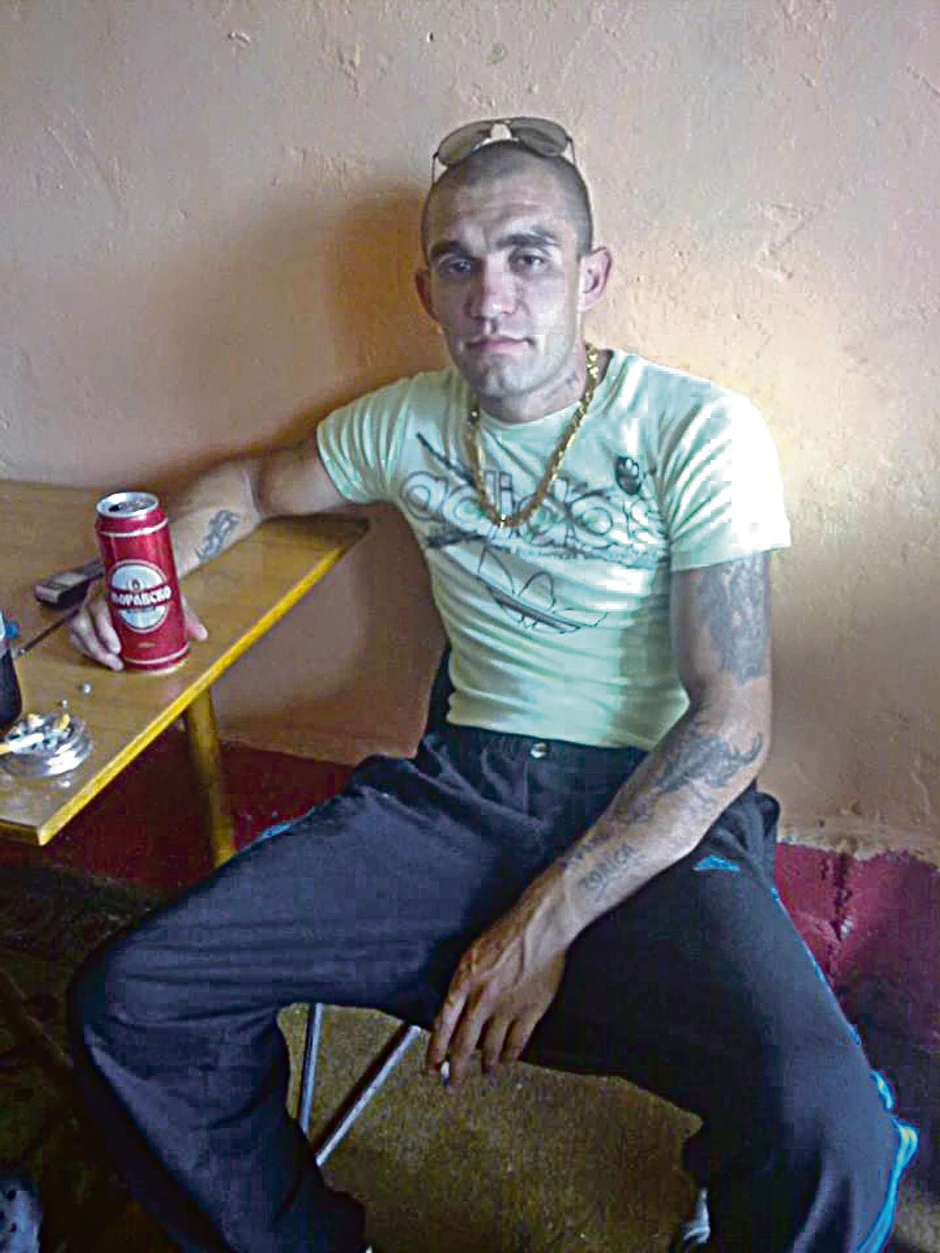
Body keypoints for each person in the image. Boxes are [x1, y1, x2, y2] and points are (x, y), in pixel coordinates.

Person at [67, 118, 916, 1253]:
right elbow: (255, 485)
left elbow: (729, 723)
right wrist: (143, 577)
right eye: (459, 265)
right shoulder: (404, 421)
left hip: (660, 808)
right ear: (426, 292)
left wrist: (541, 921)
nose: (491, 297)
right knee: (136, 996)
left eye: (529, 256)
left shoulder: (694, 429)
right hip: (462, 796)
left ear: (591, 276)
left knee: (830, 1124)